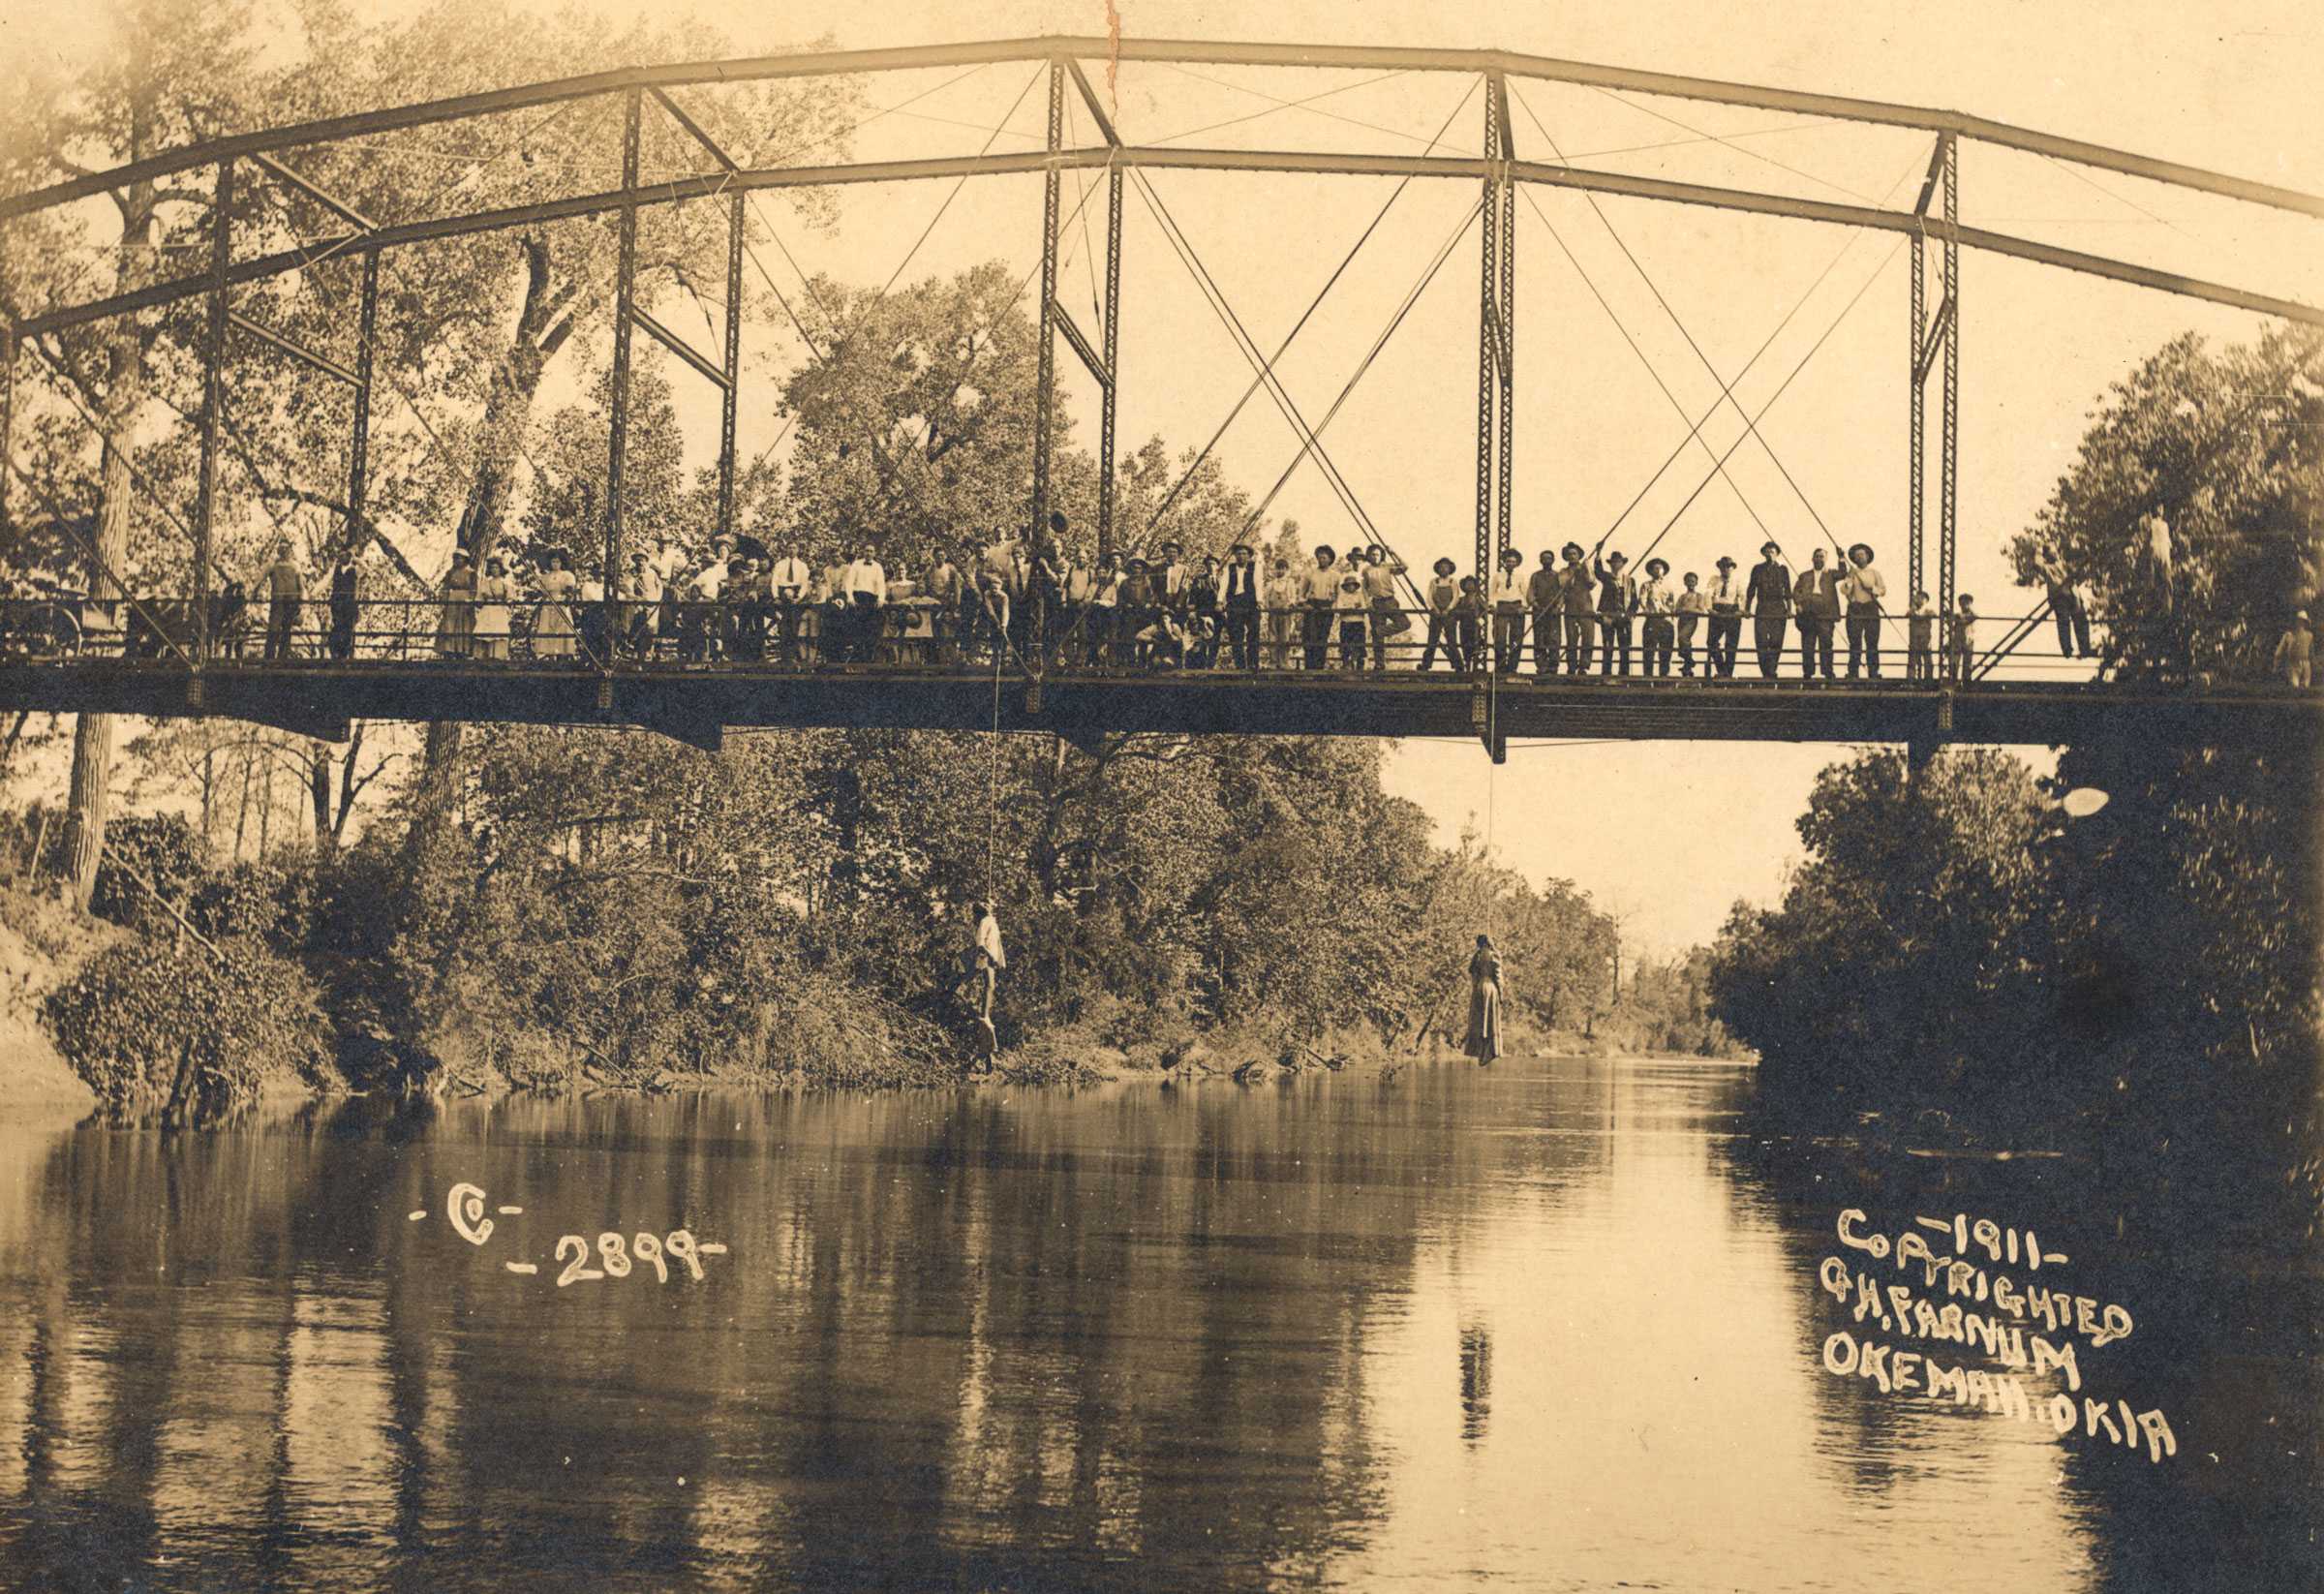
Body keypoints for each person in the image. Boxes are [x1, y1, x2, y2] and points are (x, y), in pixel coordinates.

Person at [1791, 546, 1841, 680]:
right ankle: (1808, 672)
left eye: (1822, 556)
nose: (1819, 559)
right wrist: (1798, 604)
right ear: (1812, 559)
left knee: (1826, 643)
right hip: (1808, 613)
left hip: (1825, 613)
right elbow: (1796, 591)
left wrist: (1841, 557)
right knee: (1808, 644)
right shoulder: (1804, 575)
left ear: (1826, 559)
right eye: (1817, 556)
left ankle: (1828, 672)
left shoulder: (1831, 574)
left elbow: (1843, 573)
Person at [1744, 540, 1790, 680]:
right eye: (1767, 551)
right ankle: (1766, 672)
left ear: (1777, 554)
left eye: (1773, 552)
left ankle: (1772, 670)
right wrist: (1747, 609)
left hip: (1778, 608)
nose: (1770, 554)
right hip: (1763, 607)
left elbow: (1788, 591)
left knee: (1776, 641)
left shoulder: (1783, 570)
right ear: (1763, 553)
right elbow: (1751, 590)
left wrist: (1789, 609)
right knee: (1762, 641)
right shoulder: (1757, 569)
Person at [1840, 541, 1886, 679]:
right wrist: (1849, 580)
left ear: (1867, 557)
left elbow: (1883, 590)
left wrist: (1872, 588)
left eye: (1862, 555)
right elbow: (1844, 590)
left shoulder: (1874, 573)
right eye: (1857, 556)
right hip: (1856, 608)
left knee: (1872, 641)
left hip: (1871, 608)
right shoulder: (1852, 572)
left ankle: (1873, 672)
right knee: (1855, 642)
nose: (1859, 557)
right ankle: (1853, 672)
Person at [1593, 547, 1637, 677]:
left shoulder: (1629, 580)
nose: (1616, 564)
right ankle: (1606, 674)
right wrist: (1598, 553)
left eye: (1618, 562)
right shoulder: (1606, 577)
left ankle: (1624, 675)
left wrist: (1631, 616)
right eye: (1613, 562)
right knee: (1608, 646)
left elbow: (1634, 601)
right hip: (1608, 616)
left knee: (1624, 647)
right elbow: (1597, 571)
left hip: (1624, 617)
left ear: (1622, 564)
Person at [841, 545, 887, 663]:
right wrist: (850, 598)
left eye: (871, 551)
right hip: (858, 598)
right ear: (863, 552)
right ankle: (856, 657)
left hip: (871, 599)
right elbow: (849, 582)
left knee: (870, 628)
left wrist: (881, 599)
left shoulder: (877, 567)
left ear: (874, 553)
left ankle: (869, 657)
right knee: (857, 628)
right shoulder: (856, 564)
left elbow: (881, 584)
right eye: (866, 551)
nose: (868, 553)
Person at [1364, 543, 1407, 669]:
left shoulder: (1387, 566)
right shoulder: (1366, 570)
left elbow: (1404, 567)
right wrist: (1368, 603)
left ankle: (1379, 631)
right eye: (1372, 554)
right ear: (1369, 556)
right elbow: (1364, 588)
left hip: (1390, 601)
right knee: (1378, 640)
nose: (1375, 557)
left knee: (1404, 623)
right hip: (1376, 602)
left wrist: (1393, 552)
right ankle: (1379, 664)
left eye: (1377, 554)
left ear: (1381, 555)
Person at [1419, 557, 1464, 672]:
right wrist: (1435, 608)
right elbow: (1429, 596)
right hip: (1436, 614)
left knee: (1451, 640)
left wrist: (1448, 609)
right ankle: (1426, 664)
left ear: (1450, 569)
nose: (1443, 569)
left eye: (1446, 567)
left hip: (1449, 615)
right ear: (1438, 569)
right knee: (1432, 640)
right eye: (1441, 567)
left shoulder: (1453, 582)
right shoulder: (1434, 582)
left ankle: (1458, 665)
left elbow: (1455, 597)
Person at [2042, 557, 2094, 659]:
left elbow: (2078, 574)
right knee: (2064, 622)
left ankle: (2085, 649)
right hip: (2060, 596)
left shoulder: (2063, 562)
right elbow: (2037, 563)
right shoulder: (2047, 567)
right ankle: (2067, 649)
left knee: (2081, 619)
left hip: (2072, 593)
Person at [1464, 933, 1503, 1065]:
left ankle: (1481, 1052)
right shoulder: (1494, 955)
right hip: (1490, 988)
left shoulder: (1477, 956)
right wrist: (1501, 993)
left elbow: (1473, 973)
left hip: (1479, 988)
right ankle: (1489, 1052)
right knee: (1490, 1021)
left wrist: (1475, 987)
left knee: (1480, 1021)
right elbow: (1498, 976)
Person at [769, 546, 812, 665]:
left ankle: (795, 657)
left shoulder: (802, 565)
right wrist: (776, 597)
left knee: (795, 625)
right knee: (783, 626)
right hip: (783, 595)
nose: (792, 550)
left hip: (796, 595)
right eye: (789, 548)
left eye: (794, 548)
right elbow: (774, 581)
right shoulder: (780, 564)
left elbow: (804, 583)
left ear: (798, 550)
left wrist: (799, 597)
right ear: (786, 550)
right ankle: (784, 657)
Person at [1221, 542, 1262, 670]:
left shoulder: (1256, 567)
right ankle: (1240, 665)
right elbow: (1223, 585)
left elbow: (1258, 584)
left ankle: (1253, 663)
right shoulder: (1229, 568)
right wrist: (1219, 601)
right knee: (1236, 634)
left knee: (1253, 632)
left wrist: (1259, 601)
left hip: (1250, 602)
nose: (1241, 556)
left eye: (1244, 554)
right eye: (1239, 554)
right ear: (1234, 555)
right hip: (1235, 603)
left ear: (1249, 556)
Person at [532, 549, 578, 659]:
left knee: (562, 627)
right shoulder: (545, 577)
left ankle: (563, 654)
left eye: (557, 561)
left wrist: (567, 598)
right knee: (546, 626)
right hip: (548, 603)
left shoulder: (567, 575)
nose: (555, 564)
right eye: (553, 562)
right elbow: (542, 592)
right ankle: (549, 654)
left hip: (561, 602)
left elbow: (570, 590)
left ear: (562, 562)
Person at [261, 543, 303, 661]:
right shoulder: (272, 565)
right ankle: (269, 657)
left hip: (291, 602)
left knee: (286, 629)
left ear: (290, 551)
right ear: (279, 551)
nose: (285, 552)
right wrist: (253, 592)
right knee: (274, 628)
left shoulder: (296, 566)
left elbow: (301, 586)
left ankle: (282, 658)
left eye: (287, 549)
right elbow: (261, 579)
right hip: (278, 601)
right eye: (282, 549)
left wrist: (301, 602)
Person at [1488, 548, 1526, 675]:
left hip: (1516, 607)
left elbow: (1525, 593)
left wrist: (1524, 607)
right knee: (1500, 638)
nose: (1510, 563)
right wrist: (1492, 605)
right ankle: (1500, 666)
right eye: (1508, 561)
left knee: (1516, 638)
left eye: (1513, 561)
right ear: (1504, 562)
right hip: (1502, 607)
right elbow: (1492, 593)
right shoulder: (1498, 576)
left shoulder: (1520, 577)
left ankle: (1512, 667)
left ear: (1516, 563)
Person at [1559, 542, 1595, 676]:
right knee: (1571, 637)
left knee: (1588, 637)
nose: (1572, 556)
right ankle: (1571, 666)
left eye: (1574, 554)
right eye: (1569, 554)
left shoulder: (1585, 567)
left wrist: (1586, 569)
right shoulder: (1563, 572)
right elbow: (1563, 587)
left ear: (1579, 555)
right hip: (1571, 606)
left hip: (1586, 606)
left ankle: (1584, 667)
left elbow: (1592, 583)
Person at [1301, 545, 1340, 670]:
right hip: (1312, 606)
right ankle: (1309, 668)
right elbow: (1301, 591)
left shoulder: (1335, 575)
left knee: (1322, 637)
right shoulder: (1310, 573)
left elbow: (1340, 595)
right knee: (1309, 637)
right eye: (1319, 557)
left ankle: (1319, 668)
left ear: (1330, 559)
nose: (1321, 560)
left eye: (1324, 557)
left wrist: (1333, 606)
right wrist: (1304, 603)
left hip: (1326, 608)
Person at [1704, 556, 1743, 678]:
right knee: (1711, 641)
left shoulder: (1738, 580)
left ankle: (1728, 673)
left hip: (1732, 610)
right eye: (1723, 567)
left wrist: (1741, 611)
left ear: (1732, 568)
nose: (1725, 569)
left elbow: (1742, 596)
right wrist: (1710, 608)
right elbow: (1708, 593)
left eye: (1728, 566)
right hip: (1717, 610)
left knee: (1731, 643)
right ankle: (1722, 669)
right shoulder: (1714, 579)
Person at [1637, 557, 1676, 677]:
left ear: (1664, 570)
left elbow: (1672, 603)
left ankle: (1663, 680)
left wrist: (1669, 612)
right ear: (1651, 571)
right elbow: (1642, 600)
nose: (1658, 570)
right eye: (1655, 568)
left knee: (1665, 652)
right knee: (1649, 651)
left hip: (1666, 621)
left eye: (1660, 567)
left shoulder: (1669, 587)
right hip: (1652, 621)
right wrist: (1649, 610)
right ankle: (1647, 679)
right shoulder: (1646, 585)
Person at [1527, 548, 1563, 678]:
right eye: (1544, 558)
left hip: (1553, 612)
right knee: (1539, 638)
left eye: (1549, 558)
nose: (1546, 561)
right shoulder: (1535, 576)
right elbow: (1530, 593)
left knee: (1554, 639)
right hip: (1539, 611)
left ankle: (1553, 667)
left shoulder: (1557, 576)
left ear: (1553, 560)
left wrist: (1558, 607)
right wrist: (1535, 605)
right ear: (1540, 560)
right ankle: (1541, 666)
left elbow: (1562, 594)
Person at [435, 550, 475, 659]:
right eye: (456, 558)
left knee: (465, 624)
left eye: (460, 558)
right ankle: (449, 649)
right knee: (450, 624)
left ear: (465, 559)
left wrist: (470, 601)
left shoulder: (471, 573)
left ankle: (464, 650)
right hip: (453, 599)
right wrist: (444, 601)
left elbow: (474, 589)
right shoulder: (450, 573)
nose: (458, 560)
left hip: (465, 599)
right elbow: (445, 588)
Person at [473, 554, 513, 660]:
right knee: (485, 631)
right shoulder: (485, 583)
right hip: (487, 609)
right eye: (492, 568)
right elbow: (479, 598)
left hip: (500, 609)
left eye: (497, 568)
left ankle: (498, 656)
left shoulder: (505, 583)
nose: (494, 570)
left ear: (501, 569)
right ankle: (484, 655)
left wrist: (508, 602)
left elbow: (510, 597)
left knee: (499, 632)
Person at [1264, 555, 1301, 669]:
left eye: (1282, 568)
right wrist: (1267, 606)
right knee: (1272, 637)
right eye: (1278, 568)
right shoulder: (1271, 583)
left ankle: (1284, 662)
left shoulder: (1290, 582)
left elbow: (1293, 597)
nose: (1280, 570)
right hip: (1273, 614)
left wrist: (1289, 604)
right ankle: (1273, 662)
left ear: (1286, 570)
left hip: (1285, 615)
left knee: (1284, 637)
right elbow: (1265, 597)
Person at [1333, 564, 1370, 670]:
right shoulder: (1342, 595)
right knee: (1345, 644)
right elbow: (1339, 608)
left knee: (1360, 644)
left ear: (1355, 586)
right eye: (1348, 585)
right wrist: (1353, 608)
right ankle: (1346, 664)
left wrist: (1350, 609)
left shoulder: (1359, 595)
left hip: (1358, 622)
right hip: (1346, 622)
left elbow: (1363, 607)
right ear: (1345, 586)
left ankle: (1360, 664)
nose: (1350, 587)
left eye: (1352, 585)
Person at [325, 547, 360, 660]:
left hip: (349, 604)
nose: (342, 557)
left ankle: (344, 654)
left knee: (347, 628)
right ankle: (335, 652)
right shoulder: (336, 569)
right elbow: (327, 580)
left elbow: (366, 568)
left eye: (345, 555)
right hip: (337, 603)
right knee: (337, 626)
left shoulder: (354, 569)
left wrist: (355, 557)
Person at [1674, 570, 1708, 678]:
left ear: (1696, 582)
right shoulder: (1682, 596)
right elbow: (1676, 610)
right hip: (1682, 620)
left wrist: (1687, 609)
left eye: (1693, 581)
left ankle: (1689, 660)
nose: (1691, 583)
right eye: (1688, 581)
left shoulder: (1699, 596)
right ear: (1685, 583)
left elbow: (1701, 610)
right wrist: (1683, 610)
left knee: (1682, 637)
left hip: (1691, 621)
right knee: (1682, 641)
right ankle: (1687, 665)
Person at [1454, 576, 1485, 673]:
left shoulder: (1478, 598)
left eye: (1471, 583)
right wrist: (1462, 613)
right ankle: (1467, 668)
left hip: (1475, 627)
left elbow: (1485, 611)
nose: (1469, 586)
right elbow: (1456, 613)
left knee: (1476, 647)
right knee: (1465, 647)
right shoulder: (1461, 600)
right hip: (1464, 626)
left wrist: (1480, 620)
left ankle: (1475, 669)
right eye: (1467, 584)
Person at [2275, 611, 2311, 688]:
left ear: (2305, 623)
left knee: (2305, 686)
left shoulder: (2309, 636)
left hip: (2305, 663)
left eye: (2302, 622)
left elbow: (2311, 651)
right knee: (2294, 686)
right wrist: (2276, 663)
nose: (2300, 624)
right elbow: (2279, 651)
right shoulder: (2288, 635)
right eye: (2298, 621)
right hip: (2293, 664)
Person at [1946, 593, 1977, 684]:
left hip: (1968, 640)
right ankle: (1954, 680)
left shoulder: (1970, 615)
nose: (1964, 605)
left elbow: (1975, 616)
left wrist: (1961, 617)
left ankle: (1966, 681)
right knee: (1954, 662)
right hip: (1957, 640)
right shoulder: (1957, 615)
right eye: (1962, 603)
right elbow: (1950, 623)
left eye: (1967, 603)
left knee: (1967, 663)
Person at [1907, 589, 1938, 681]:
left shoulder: (1928, 610)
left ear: (1926, 600)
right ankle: (1911, 679)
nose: (1919, 599)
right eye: (1918, 597)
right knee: (1913, 660)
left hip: (1925, 638)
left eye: (1922, 598)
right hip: (1915, 639)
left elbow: (1934, 614)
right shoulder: (1913, 610)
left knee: (1927, 660)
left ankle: (1928, 679)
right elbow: (1908, 614)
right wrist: (1913, 606)